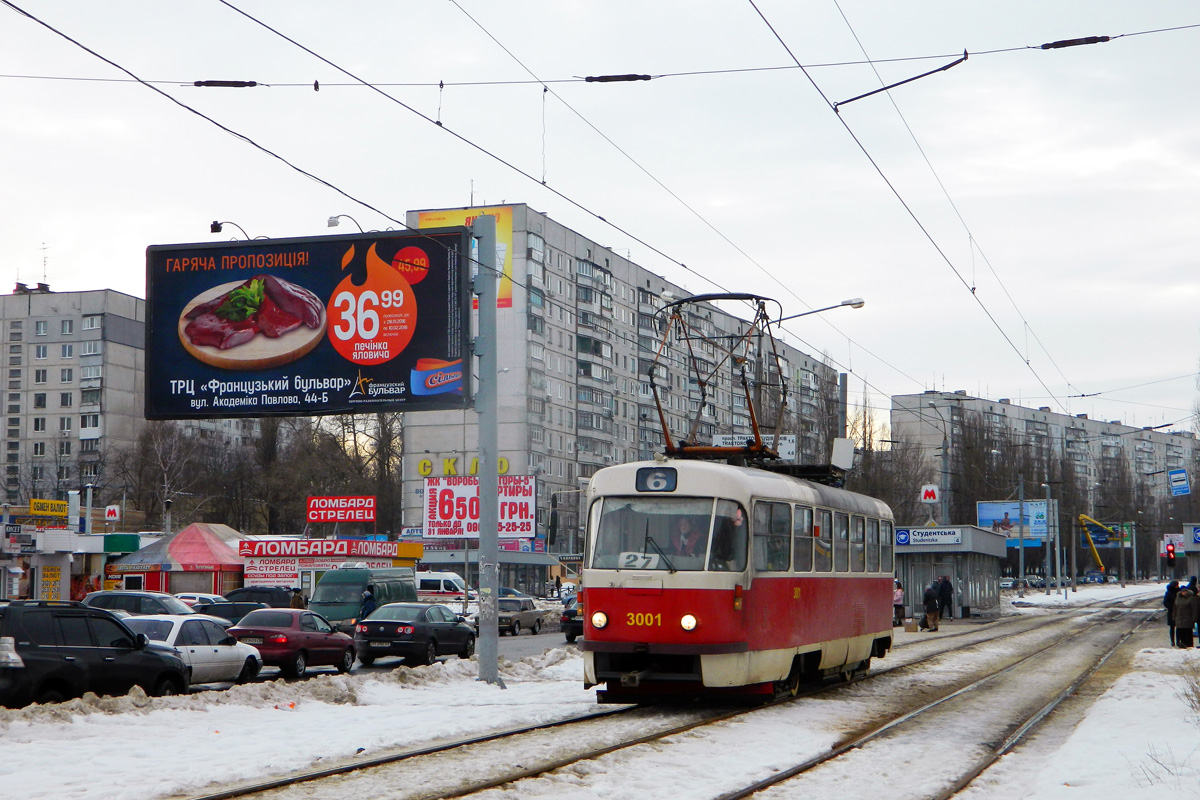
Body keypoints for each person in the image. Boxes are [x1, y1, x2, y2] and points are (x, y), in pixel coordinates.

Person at [1173, 581, 1198, 649]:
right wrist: (1174, 616)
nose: (1184, 593)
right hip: (1179, 618)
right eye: (1183, 592)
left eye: (1185, 591)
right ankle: (1181, 644)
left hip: (1188, 618)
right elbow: (1175, 607)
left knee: (1188, 633)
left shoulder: (1191, 598)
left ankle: (1189, 646)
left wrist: (1194, 618)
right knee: (1180, 632)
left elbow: (1194, 609)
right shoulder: (1178, 597)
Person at [1164, 580, 1180, 646]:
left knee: (1178, 627)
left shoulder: (1179, 591)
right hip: (1171, 612)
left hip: (1179, 611)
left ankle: (1178, 641)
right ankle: (1172, 641)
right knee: (1172, 627)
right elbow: (1165, 602)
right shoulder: (1168, 592)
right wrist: (1171, 607)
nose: (1178, 586)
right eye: (1177, 585)